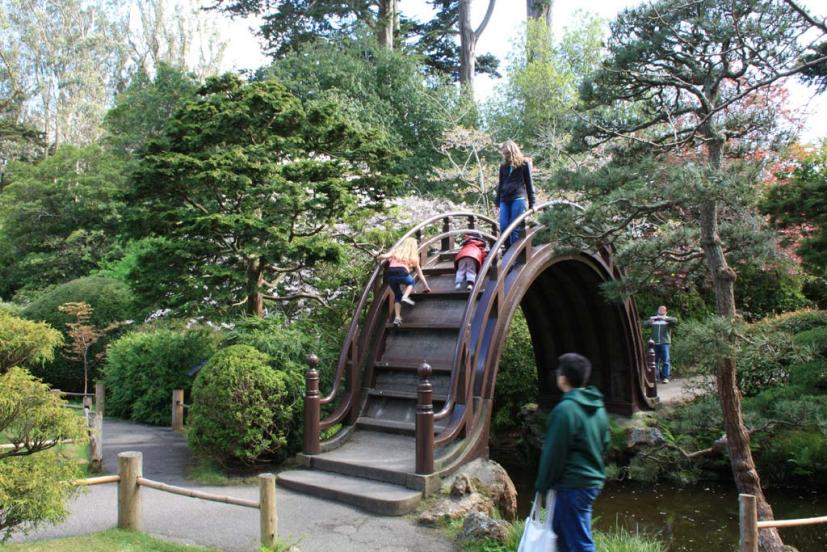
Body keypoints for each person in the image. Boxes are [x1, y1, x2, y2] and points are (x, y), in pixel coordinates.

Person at [535, 353, 610, 552]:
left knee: (580, 544)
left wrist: (542, 486)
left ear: (563, 377)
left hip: (573, 485)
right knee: (561, 538)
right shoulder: (599, 408)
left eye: (559, 371)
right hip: (590, 483)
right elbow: (605, 444)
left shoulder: (565, 410)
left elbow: (553, 455)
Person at [379, 237, 431, 327]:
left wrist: (377, 255)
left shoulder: (396, 251)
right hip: (402, 273)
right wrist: (426, 286)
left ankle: (397, 317)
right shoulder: (413, 257)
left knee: (397, 295)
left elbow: (384, 256)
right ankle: (406, 296)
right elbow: (420, 274)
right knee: (411, 282)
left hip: (390, 275)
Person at [495, 140, 536, 247]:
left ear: (513, 151)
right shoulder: (503, 166)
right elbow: (501, 183)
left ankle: (515, 257)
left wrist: (533, 203)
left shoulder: (524, 164)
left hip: (518, 198)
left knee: (514, 228)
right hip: (504, 198)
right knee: (503, 227)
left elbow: (529, 183)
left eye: (507, 153)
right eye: (504, 154)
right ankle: (509, 252)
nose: (506, 156)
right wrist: (497, 202)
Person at [642, 305, 678, 384]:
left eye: (663, 310)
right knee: (655, 361)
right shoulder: (654, 319)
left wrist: (666, 319)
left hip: (665, 342)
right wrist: (649, 322)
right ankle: (656, 377)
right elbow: (644, 324)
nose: (661, 311)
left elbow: (675, 321)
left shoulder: (667, 319)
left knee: (666, 360)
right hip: (654, 343)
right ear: (658, 310)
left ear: (666, 311)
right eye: (660, 309)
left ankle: (665, 377)